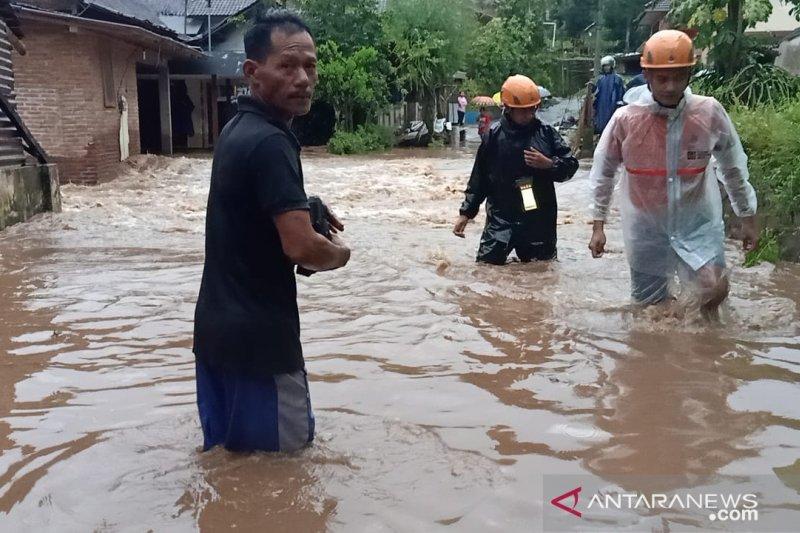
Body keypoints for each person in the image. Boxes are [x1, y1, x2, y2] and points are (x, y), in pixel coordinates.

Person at [193, 9, 351, 453]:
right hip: (263, 345)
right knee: (286, 470)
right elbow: (302, 248)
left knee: (231, 465)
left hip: (214, 337)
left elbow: (245, 210)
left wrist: (307, 205)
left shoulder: (236, 129)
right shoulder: (272, 142)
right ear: (252, 72)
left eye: (310, 66)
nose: (303, 78)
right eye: (287, 66)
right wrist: (340, 253)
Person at [588, 30, 758, 315]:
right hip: (646, 228)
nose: (669, 86)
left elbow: (733, 167)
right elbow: (603, 173)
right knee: (649, 311)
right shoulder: (626, 120)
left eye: (678, 77)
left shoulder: (708, 113)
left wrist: (747, 217)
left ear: (690, 74)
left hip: (698, 223)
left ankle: (701, 348)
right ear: (647, 76)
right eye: (662, 78)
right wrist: (598, 226)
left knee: (715, 290)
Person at [453, 75, 579, 263]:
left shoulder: (546, 133)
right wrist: (466, 213)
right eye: (523, 111)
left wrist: (549, 164)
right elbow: (479, 178)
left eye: (532, 109)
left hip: (538, 218)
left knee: (540, 272)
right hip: (501, 216)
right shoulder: (493, 136)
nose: (529, 115)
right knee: (486, 269)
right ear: (509, 109)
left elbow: (570, 166)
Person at [593, 55, 626, 134]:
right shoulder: (601, 80)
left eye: (608, 66)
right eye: (604, 66)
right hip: (602, 105)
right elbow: (597, 93)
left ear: (612, 66)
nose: (606, 68)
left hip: (612, 104)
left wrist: (618, 104)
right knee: (602, 125)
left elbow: (620, 92)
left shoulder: (618, 79)